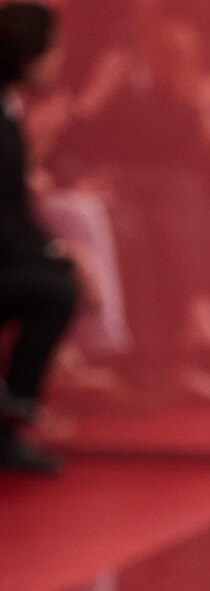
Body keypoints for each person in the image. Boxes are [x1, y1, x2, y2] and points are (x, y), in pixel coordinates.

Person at [0, 0, 77, 473]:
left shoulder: (10, 113)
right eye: (53, 50)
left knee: (57, 280)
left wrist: (56, 253)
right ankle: (14, 411)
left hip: (9, 254)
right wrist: (55, 256)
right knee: (55, 288)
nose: (59, 60)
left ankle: (11, 419)